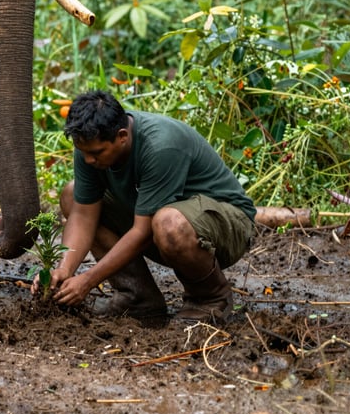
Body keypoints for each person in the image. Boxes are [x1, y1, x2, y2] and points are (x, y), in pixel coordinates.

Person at [35, 90, 256, 323]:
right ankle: (138, 298)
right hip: (163, 222)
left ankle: (210, 298)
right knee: (72, 195)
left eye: (96, 153)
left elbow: (142, 232)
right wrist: (64, 270)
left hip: (227, 226)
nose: (89, 160)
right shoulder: (90, 143)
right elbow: (82, 216)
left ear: (122, 136)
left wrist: (88, 281)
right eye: (84, 152)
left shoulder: (161, 146)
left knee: (168, 222)